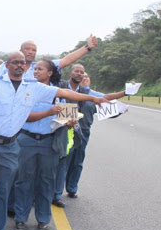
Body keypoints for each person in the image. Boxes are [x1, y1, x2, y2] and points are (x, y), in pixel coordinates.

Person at [0, 51, 108, 230]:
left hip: (10, 146)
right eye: (15, 62)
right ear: (7, 65)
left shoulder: (34, 88)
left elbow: (65, 94)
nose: (20, 65)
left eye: (23, 63)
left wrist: (93, 98)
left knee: (3, 190)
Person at [0, 36, 98, 222]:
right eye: (27, 49)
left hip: (25, 133)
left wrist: (87, 48)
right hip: (8, 129)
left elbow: (67, 60)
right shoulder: (9, 67)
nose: (31, 53)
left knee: (20, 174)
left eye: (34, 50)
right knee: (2, 173)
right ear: (20, 51)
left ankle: (12, 207)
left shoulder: (38, 71)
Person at [13, 59, 76, 230]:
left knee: (46, 181)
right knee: (24, 180)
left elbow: (70, 119)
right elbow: (22, 115)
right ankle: (20, 218)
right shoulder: (26, 91)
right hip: (26, 140)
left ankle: (43, 218)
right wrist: (47, 112)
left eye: (40, 69)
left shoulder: (60, 94)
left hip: (49, 142)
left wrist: (70, 122)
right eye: (35, 69)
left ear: (49, 73)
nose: (36, 71)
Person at [53, 66, 125, 208]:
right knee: (62, 162)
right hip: (64, 129)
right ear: (70, 73)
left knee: (77, 161)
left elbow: (107, 97)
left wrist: (125, 93)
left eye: (85, 75)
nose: (82, 76)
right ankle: (56, 194)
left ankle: (72, 188)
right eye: (78, 72)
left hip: (82, 130)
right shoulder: (61, 87)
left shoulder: (90, 93)